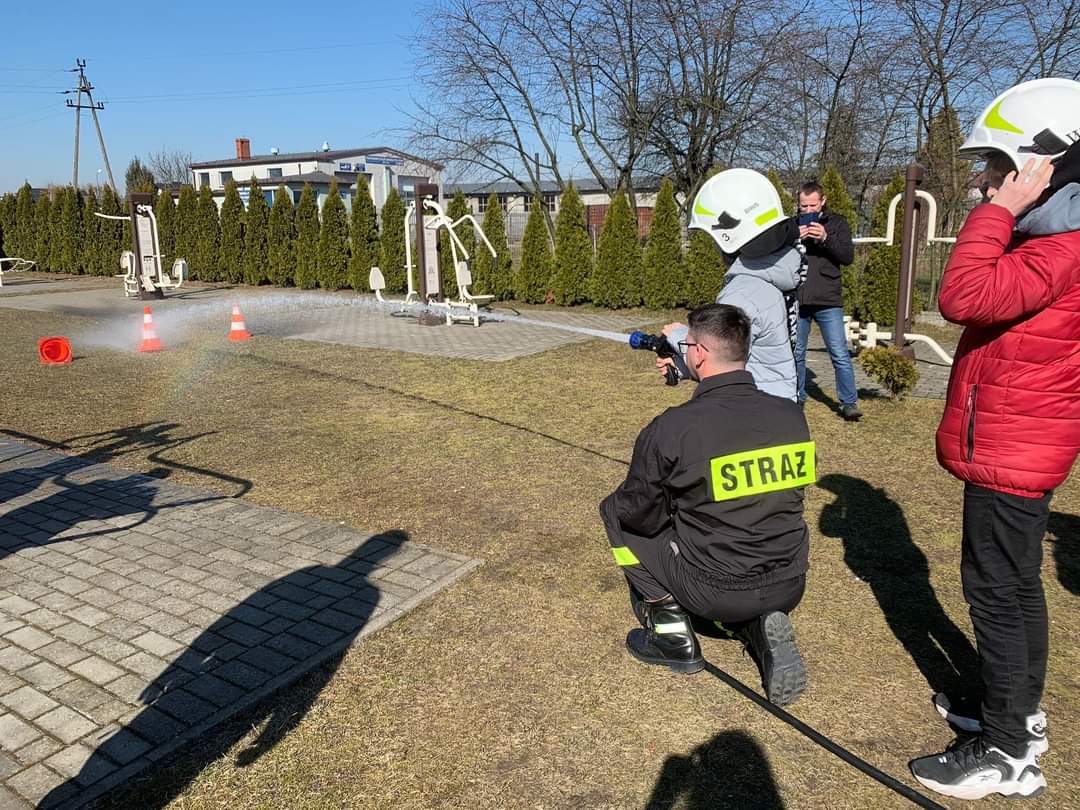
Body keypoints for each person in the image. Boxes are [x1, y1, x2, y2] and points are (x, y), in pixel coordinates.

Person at [908, 78, 1080, 802]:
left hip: (1016, 451)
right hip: (1015, 445)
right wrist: (1007, 211)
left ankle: (1007, 752)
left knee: (999, 595)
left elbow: (962, 297)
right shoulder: (1055, 241)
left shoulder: (1064, 248)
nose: (983, 183)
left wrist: (1000, 214)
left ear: (1045, 165)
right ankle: (1018, 715)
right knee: (1011, 588)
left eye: (997, 170)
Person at [601, 303, 813, 705]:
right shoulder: (791, 416)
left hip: (713, 589)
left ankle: (671, 632)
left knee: (614, 511)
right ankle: (759, 626)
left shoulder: (673, 427)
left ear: (697, 353)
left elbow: (637, 511)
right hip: (789, 580)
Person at [662, 169, 803, 400]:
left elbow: (718, 353)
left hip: (751, 409)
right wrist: (681, 368)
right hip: (779, 403)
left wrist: (678, 335)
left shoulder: (742, 294)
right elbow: (750, 355)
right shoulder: (774, 276)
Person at [792, 180, 860, 420]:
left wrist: (825, 238)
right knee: (796, 352)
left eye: (812, 205)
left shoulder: (837, 223)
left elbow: (847, 256)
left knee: (839, 352)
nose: (808, 210)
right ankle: (796, 397)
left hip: (828, 299)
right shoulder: (791, 225)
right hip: (798, 298)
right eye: (803, 206)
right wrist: (793, 239)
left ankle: (849, 403)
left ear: (823, 201)